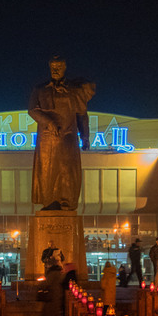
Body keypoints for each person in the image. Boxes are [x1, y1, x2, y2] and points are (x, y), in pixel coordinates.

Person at [28, 56, 96, 211]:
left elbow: (81, 115)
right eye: (53, 66)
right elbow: (32, 109)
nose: (56, 69)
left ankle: (67, 202)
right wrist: (48, 122)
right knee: (48, 169)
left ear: (64, 67)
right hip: (47, 137)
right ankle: (49, 201)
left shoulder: (74, 89)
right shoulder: (40, 89)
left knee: (67, 169)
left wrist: (85, 136)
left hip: (68, 135)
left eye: (59, 66)